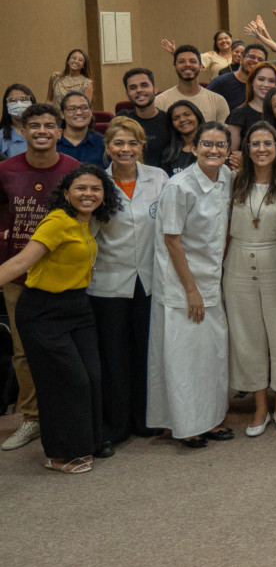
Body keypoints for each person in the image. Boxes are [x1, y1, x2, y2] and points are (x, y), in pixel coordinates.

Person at [0, 164, 118, 472]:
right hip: (42, 311)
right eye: (81, 188)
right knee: (67, 382)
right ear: (66, 194)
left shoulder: (85, 222)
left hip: (77, 308)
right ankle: (58, 454)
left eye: (96, 189)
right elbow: (22, 261)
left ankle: (84, 444)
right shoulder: (57, 221)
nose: (88, 194)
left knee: (91, 377)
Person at [147, 121, 234, 449]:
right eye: (207, 144)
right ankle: (187, 426)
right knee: (185, 357)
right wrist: (191, 290)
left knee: (212, 354)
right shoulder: (179, 186)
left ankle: (210, 419)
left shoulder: (226, 178)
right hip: (183, 284)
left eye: (221, 145)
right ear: (193, 148)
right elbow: (172, 242)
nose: (214, 150)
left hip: (212, 279)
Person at [0, 103, 80, 452]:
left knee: (68, 350)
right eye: (35, 126)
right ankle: (32, 418)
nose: (42, 131)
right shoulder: (5, 170)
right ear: (23, 131)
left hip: (65, 276)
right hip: (18, 274)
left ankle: (70, 414)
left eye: (50, 125)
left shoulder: (75, 170)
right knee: (23, 350)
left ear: (60, 131)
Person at [89, 120, 167, 451]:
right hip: (108, 282)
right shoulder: (96, 182)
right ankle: (115, 425)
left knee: (145, 352)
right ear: (107, 147)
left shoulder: (158, 178)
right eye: (118, 143)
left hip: (149, 280)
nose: (126, 149)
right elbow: (88, 234)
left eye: (132, 143)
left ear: (141, 147)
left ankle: (144, 418)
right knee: (114, 355)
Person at [223, 122, 276, 436]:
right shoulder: (232, 182)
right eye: (255, 144)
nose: (261, 149)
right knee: (247, 337)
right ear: (246, 150)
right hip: (238, 266)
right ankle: (259, 405)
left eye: (268, 143)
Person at [154, 45, 229, 124]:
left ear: (201, 66)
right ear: (174, 67)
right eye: (181, 61)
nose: (187, 64)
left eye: (193, 61)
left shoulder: (218, 101)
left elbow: (224, 134)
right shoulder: (160, 102)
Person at [207, 43, 268, 112]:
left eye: (260, 60)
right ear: (241, 59)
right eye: (251, 56)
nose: (255, 61)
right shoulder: (221, 82)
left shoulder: (263, 88)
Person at [56, 91, 104, 167]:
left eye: (84, 108)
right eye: (72, 109)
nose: (79, 112)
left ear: (91, 112)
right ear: (62, 114)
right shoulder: (53, 143)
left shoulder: (103, 143)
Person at [160, 100, 204, 175]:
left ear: (197, 116)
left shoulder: (212, 148)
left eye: (187, 114)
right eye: (176, 118)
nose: (182, 120)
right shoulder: (169, 154)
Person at [0, 84, 35, 157]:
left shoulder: (44, 131)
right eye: (13, 100)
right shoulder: (1, 136)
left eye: (24, 99)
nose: (19, 104)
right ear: (6, 105)